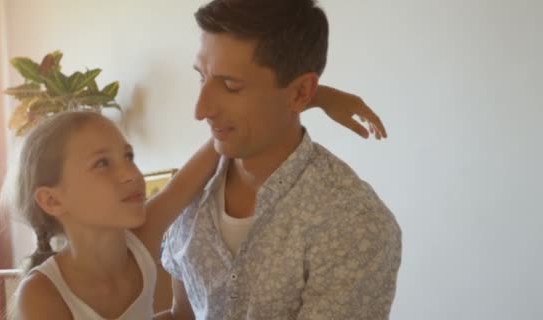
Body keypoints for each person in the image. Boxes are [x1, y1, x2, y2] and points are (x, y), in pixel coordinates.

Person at [3, 90, 386, 318]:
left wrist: (309, 96)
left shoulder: (142, 241)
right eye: (103, 164)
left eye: (129, 156)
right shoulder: (41, 296)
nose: (130, 174)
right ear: (52, 199)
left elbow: (217, 149)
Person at [159, 0, 402, 319]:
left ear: (301, 93)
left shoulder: (354, 222)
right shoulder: (188, 198)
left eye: (231, 85)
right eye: (201, 78)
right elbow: (181, 315)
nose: (200, 110)